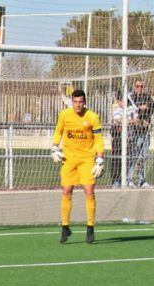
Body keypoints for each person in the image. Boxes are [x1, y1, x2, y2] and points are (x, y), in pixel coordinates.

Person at [51, 89, 104, 244]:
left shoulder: (93, 117)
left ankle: (90, 227)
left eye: (80, 102)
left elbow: (99, 139)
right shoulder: (64, 115)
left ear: (85, 102)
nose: (78, 105)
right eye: (75, 102)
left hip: (87, 160)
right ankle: (65, 227)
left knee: (89, 191)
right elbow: (58, 131)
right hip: (69, 159)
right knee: (66, 190)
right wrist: (54, 147)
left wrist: (100, 159)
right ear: (72, 102)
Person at [126, 80, 154, 189]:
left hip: (144, 131)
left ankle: (142, 180)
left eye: (142, 86)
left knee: (143, 156)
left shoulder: (147, 98)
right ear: (134, 87)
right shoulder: (130, 98)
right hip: (133, 130)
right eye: (137, 86)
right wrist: (139, 109)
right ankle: (128, 179)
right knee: (133, 155)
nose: (140, 88)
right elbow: (127, 111)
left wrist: (147, 110)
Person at [108, 89, 132, 188]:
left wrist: (126, 121)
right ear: (118, 101)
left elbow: (135, 119)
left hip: (128, 137)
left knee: (128, 159)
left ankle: (127, 179)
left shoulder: (130, 109)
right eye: (121, 100)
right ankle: (116, 180)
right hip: (117, 137)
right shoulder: (116, 109)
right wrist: (128, 121)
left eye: (125, 100)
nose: (123, 102)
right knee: (116, 159)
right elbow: (117, 120)